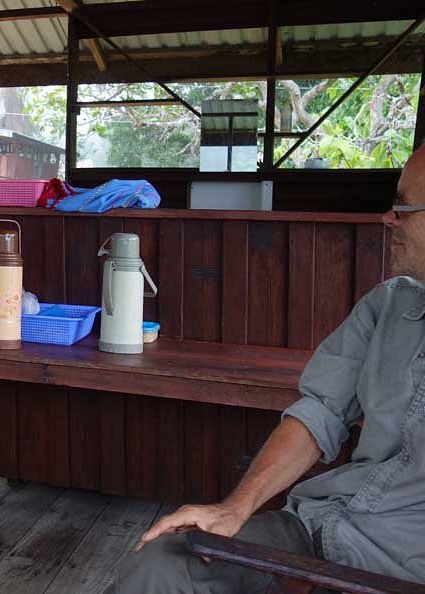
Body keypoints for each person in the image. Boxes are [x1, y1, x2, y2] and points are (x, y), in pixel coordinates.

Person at [107, 146, 425, 593]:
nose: (388, 219)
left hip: (398, 569)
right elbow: (320, 413)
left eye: (403, 208)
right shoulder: (388, 304)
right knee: (165, 563)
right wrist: (235, 507)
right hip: (319, 527)